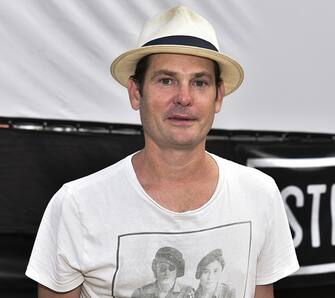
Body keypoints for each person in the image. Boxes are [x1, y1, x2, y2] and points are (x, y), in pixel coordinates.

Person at [25, 5, 299, 298]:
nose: (184, 97)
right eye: (166, 80)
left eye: (200, 82)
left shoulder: (259, 194)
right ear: (135, 92)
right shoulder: (77, 205)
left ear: (217, 97)